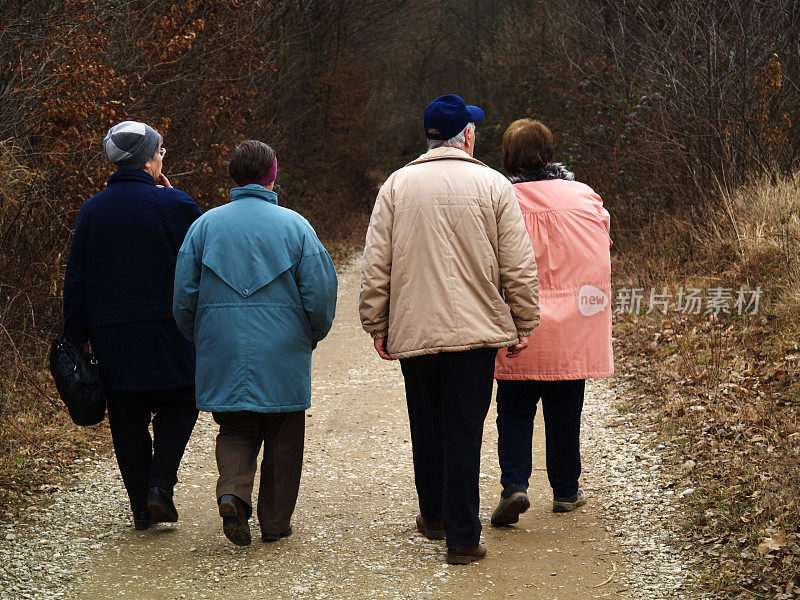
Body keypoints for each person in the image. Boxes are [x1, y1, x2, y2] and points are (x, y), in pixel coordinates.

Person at [359, 95, 539, 564]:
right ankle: (461, 537)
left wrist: (376, 322)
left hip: (415, 332)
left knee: (426, 423)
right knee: (464, 431)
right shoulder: (494, 185)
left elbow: (376, 264)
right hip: (475, 335)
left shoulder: (396, 185)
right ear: (468, 135)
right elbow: (517, 264)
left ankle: (434, 516)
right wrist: (524, 319)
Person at [173, 140, 337, 547]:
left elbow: (183, 298)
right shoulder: (296, 226)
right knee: (284, 433)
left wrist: (203, 338)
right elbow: (320, 295)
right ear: (272, 174)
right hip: (282, 348)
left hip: (222, 346)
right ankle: (276, 523)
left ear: (233, 175)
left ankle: (232, 494)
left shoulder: (204, 226)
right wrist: (310, 334)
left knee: (235, 428)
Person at [63, 120, 202, 531]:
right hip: (169, 329)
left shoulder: (92, 210)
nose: (163, 158)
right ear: (150, 160)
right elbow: (200, 267)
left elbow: (77, 279)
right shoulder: (177, 204)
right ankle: (160, 485)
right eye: (161, 153)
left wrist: (75, 338)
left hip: (112, 334)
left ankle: (141, 508)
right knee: (182, 401)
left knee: (126, 415)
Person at [490, 119, 613, 527]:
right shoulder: (585, 196)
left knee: (513, 411)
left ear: (508, 158)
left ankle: (515, 486)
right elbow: (604, 243)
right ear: (549, 152)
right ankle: (564, 490)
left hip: (519, 323)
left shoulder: (501, 200)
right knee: (565, 411)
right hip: (574, 326)